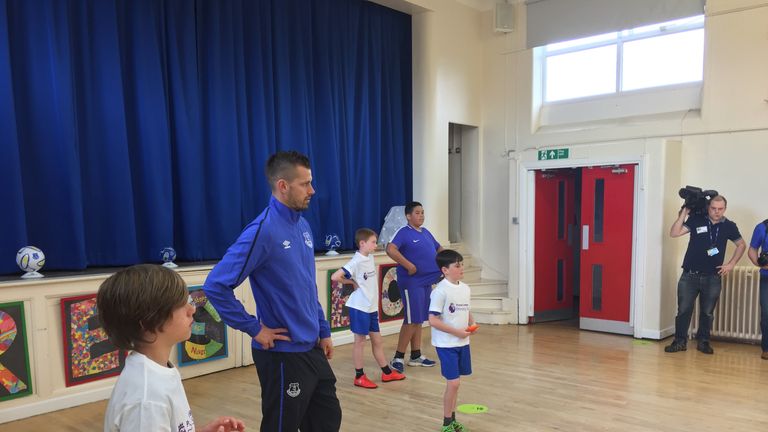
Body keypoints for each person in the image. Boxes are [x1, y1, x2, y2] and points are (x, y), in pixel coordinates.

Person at [203, 151, 342, 431]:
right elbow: (215, 285)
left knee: (327, 420)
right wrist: (254, 328)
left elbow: (307, 286)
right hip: (282, 355)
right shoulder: (262, 230)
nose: (312, 191)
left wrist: (323, 330)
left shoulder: (303, 226)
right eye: (305, 184)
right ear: (283, 186)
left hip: (312, 347)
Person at [97, 264, 246, 432]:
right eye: (180, 305)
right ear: (149, 322)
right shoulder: (147, 400)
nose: (192, 309)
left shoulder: (157, 370)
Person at [665, 195, 746, 355]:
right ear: (708, 207)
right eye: (713, 208)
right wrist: (684, 212)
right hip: (690, 275)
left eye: (720, 209)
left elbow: (741, 245)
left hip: (712, 277)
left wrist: (731, 264)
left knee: (707, 313)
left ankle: (703, 342)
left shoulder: (729, 226)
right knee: (683, 310)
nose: (716, 212)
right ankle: (679, 342)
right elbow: (674, 233)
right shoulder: (696, 220)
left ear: (725, 209)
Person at [330, 228, 406, 388]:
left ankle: (386, 373)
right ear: (362, 243)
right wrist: (351, 282)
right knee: (360, 342)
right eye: (373, 242)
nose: (375, 245)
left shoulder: (369, 257)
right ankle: (359, 376)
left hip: (371, 308)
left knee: (377, 340)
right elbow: (335, 276)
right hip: (359, 308)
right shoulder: (356, 261)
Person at [386, 201, 443, 373]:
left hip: (427, 282)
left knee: (418, 319)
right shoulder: (404, 232)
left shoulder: (425, 232)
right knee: (411, 320)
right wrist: (409, 265)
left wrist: (448, 259)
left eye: (423, 212)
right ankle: (397, 357)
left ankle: (416, 356)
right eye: (417, 213)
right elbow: (390, 249)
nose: (421, 216)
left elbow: (439, 248)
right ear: (408, 216)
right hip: (412, 282)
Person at [428, 249, 475, 432]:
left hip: (462, 343)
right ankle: (446, 424)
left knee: (456, 384)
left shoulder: (465, 288)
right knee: (453, 383)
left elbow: (466, 310)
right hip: (446, 344)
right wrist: (457, 332)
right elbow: (433, 320)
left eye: (461, 264)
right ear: (445, 270)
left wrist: (472, 323)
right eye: (457, 265)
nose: (461, 268)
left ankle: (453, 420)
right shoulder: (440, 291)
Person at [747, 219, 768, 359]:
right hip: (767, 277)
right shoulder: (762, 228)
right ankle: (766, 348)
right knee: (766, 313)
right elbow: (752, 249)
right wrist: (760, 265)